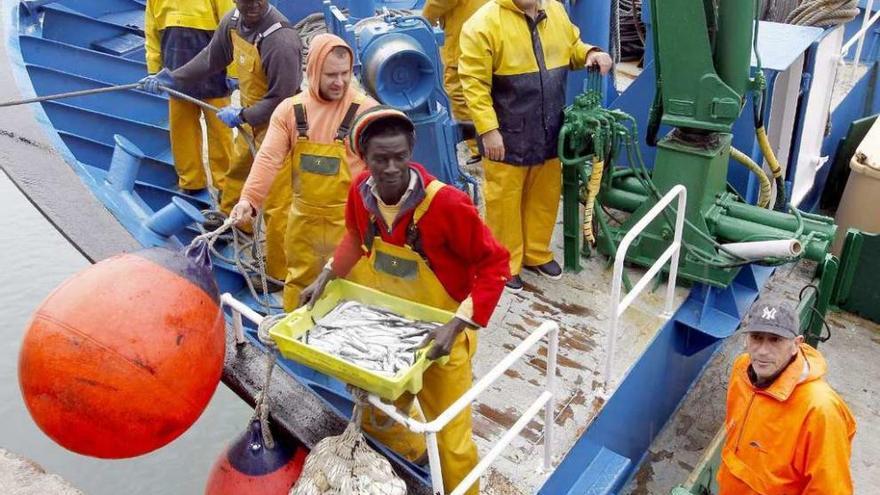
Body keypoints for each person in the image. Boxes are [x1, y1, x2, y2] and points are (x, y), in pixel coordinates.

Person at [300, 107, 510, 495]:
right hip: (387, 330)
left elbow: (495, 262)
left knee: (450, 437)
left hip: (441, 339)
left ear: (412, 150)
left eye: (400, 156)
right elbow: (353, 237)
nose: (392, 167)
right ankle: (401, 466)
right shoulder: (359, 192)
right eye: (381, 159)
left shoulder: (448, 204)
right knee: (381, 413)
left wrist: (458, 325)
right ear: (364, 157)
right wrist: (326, 275)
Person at [141, 0, 302, 291]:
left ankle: (277, 273)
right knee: (238, 175)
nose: (251, 6)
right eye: (244, 0)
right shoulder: (233, 22)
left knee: (277, 204)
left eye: (258, 0)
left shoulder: (281, 39)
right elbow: (210, 58)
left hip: (280, 126)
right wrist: (172, 77)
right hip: (252, 123)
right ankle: (234, 224)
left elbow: (284, 98)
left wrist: (242, 114)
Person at [459, 0, 613, 291]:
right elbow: (474, 84)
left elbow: (572, 47)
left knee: (544, 195)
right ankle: (505, 264)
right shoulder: (482, 25)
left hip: (549, 126)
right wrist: (489, 130)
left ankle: (536, 253)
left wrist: (591, 53)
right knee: (505, 202)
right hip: (506, 133)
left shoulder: (554, 11)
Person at [228, 34, 379, 310]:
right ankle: (292, 342)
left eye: (345, 74)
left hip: (351, 224)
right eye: (331, 74)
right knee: (298, 285)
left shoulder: (365, 112)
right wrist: (248, 200)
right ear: (312, 71)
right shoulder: (290, 110)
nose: (340, 82)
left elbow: (384, 170)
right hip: (303, 224)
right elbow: (269, 158)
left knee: (354, 291)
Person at [718, 299, 856, 495]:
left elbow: (830, 489)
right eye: (757, 337)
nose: (763, 351)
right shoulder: (742, 370)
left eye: (775, 340)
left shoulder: (820, 410)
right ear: (746, 339)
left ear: (796, 344)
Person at [144, 0, 235, 195]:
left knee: (220, 133)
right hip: (176, 75)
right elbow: (152, 37)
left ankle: (226, 186)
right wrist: (154, 71)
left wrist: (233, 72)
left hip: (215, 74)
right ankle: (191, 182)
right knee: (182, 131)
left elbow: (232, 29)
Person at [421, 0, 488, 161]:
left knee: (460, 92)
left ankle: (478, 146)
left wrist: (423, 22)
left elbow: (438, 3)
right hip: (486, 32)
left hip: (464, 38)